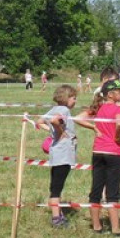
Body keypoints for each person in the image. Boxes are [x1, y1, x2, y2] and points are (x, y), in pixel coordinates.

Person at [79, 80, 120, 237]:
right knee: (112, 192)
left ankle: (96, 226)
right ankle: (116, 229)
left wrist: (94, 127)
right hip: (114, 152)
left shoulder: (99, 108)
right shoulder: (117, 109)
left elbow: (78, 118)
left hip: (98, 151)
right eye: (119, 91)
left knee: (96, 189)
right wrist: (117, 136)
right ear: (110, 94)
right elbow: (119, 125)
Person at [38, 85, 79, 229]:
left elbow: (39, 122)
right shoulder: (64, 110)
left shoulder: (54, 109)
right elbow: (56, 121)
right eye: (74, 98)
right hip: (63, 154)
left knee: (55, 185)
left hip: (56, 153)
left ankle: (58, 213)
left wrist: (52, 131)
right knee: (57, 187)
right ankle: (56, 218)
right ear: (67, 98)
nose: (75, 101)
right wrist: (60, 132)